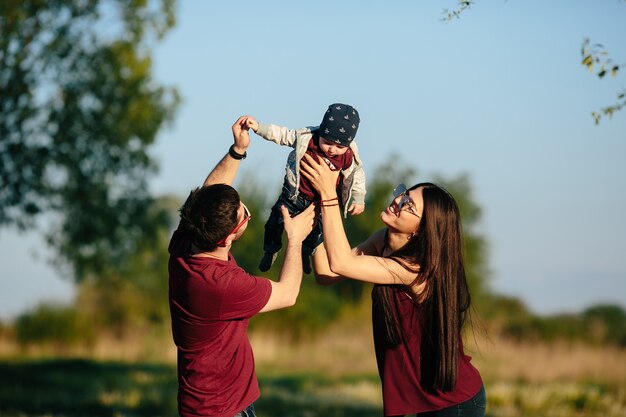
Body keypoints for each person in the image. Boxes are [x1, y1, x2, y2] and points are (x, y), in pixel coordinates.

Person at [300, 153, 486, 417]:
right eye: (403, 193)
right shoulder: (382, 241)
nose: (397, 200)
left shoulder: (417, 270)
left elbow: (342, 263)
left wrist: (329, 194)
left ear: (422, 230)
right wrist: (314, 208)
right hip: (425, 398)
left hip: (455, 403)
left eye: (408, 204)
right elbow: (327, 273)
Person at [168, 116, 316, 417]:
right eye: (244, 213)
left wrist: (237, 150)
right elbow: (288, 293)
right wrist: (296, 239)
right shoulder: (222, 285)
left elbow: (210, 192)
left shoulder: (186, 246)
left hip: (211, 403)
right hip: (221, 409)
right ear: (229, 238)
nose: (246, 211)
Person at [244, 103, 366, 274]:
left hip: (319, 203)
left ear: (349, 143)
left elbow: (357, 174)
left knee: (317, 234)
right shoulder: (306, 138)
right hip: (294, 196)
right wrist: (258, 128)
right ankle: (270, 250)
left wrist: (358, 197)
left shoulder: (348, 156)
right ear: (322, 132)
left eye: (340, 147)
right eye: (328, 143)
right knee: (274, 223)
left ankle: (305, 254)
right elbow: (282, 135)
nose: (332, 150)